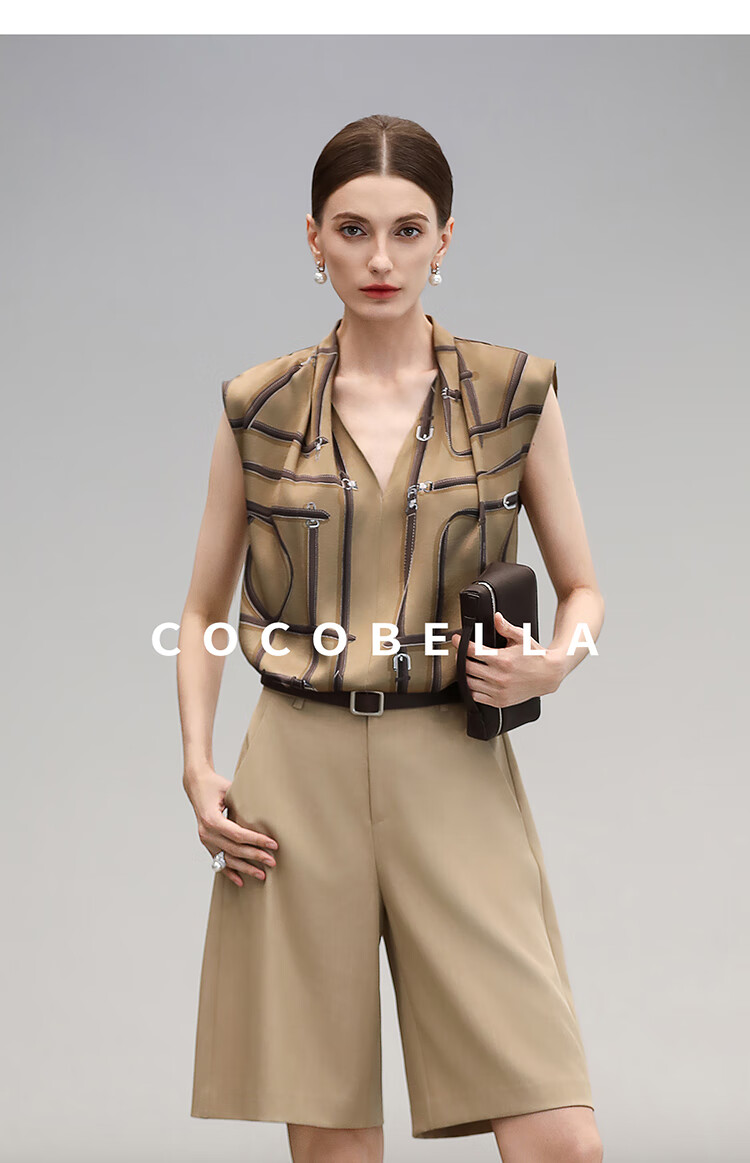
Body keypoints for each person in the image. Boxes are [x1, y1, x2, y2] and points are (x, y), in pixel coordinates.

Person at [180, 113, 605, 1163]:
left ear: (444, 240)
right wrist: (196, 764)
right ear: (314, 239)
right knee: (334, 1143)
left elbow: (583, 587)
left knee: (559, 1134)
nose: (380, 259)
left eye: (408, 230)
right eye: (353, 229)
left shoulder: (513, 393)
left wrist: (555, 661)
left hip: (452, 760)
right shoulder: (258, 406)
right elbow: (198, 610)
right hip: (295, 771)